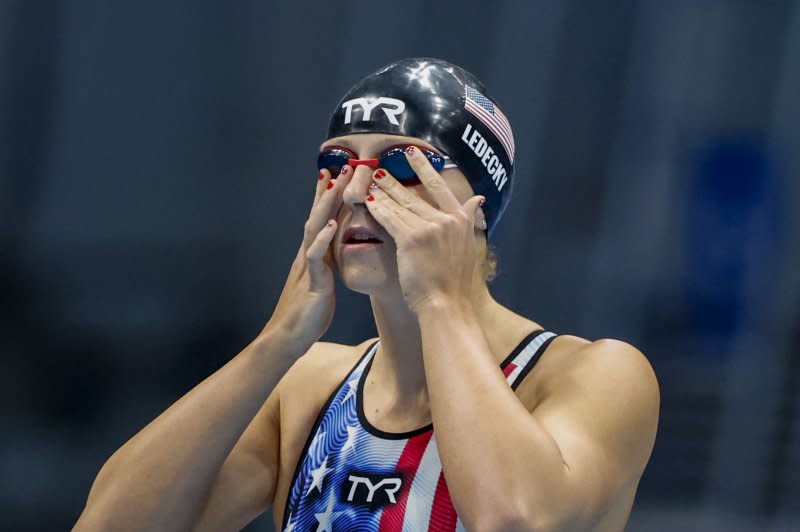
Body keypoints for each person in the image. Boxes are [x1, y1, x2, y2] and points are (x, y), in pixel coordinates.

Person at [75, 58, 659, 532]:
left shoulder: (594, 377)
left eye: (401, 164)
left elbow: (514, 520)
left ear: (478, 206)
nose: (355, 189)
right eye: (337, 163)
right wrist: (276, 343)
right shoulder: (308, 390)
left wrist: (441, 304)